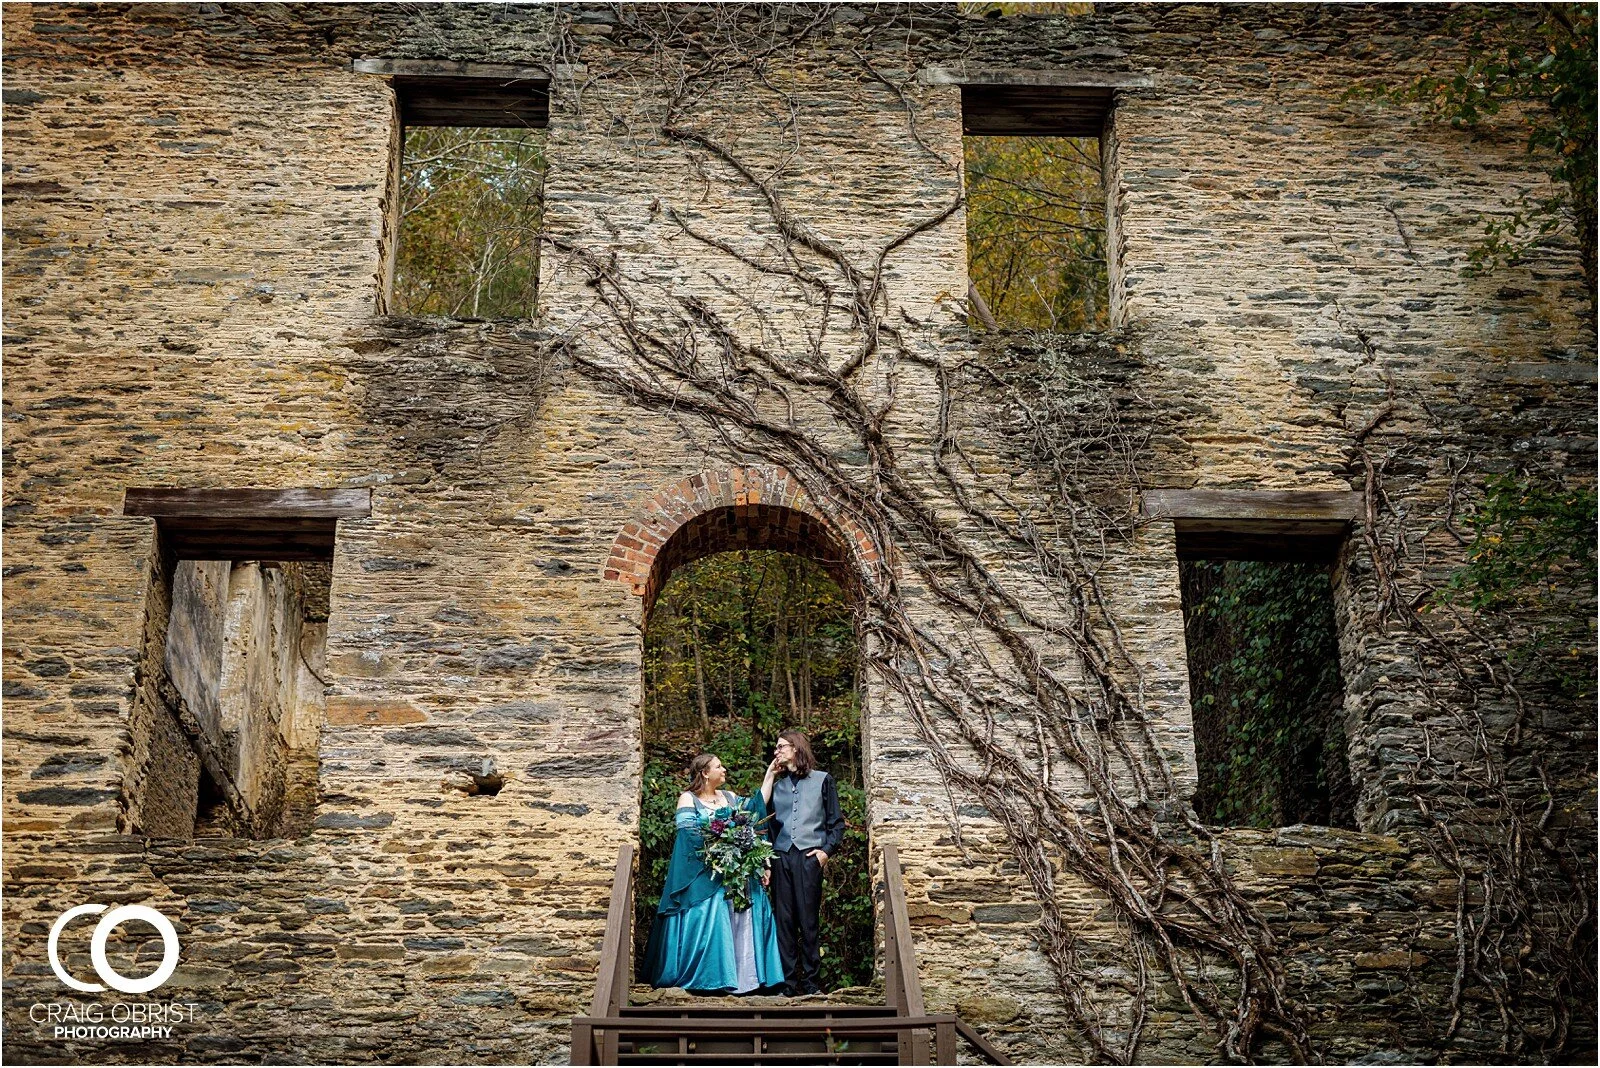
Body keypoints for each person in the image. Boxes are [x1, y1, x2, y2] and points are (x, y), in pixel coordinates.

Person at [643, 753, 784, 994]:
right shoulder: (688, 799)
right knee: (713, 911)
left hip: (735, 871)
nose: (724, 769)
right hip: (703, 871)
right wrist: (722, 845)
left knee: (749, 905)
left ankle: (746, 979)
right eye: (719, 766)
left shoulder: (729, 797)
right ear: (705, 773)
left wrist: (770, 774)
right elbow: (688, 834)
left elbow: (753, 812)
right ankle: (708, 978)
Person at [761, 730, 845, 997]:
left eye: (781, 747)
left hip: (809, 856)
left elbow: (837, 824)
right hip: (782, 856)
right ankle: (787, 984)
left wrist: (825, 852)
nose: (776, 751)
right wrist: (769, 858)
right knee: (784, 921)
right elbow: (767, 826)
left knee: (808, 921)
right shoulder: (778, 785)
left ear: (796, 748)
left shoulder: (823, 780)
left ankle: (810, 984)